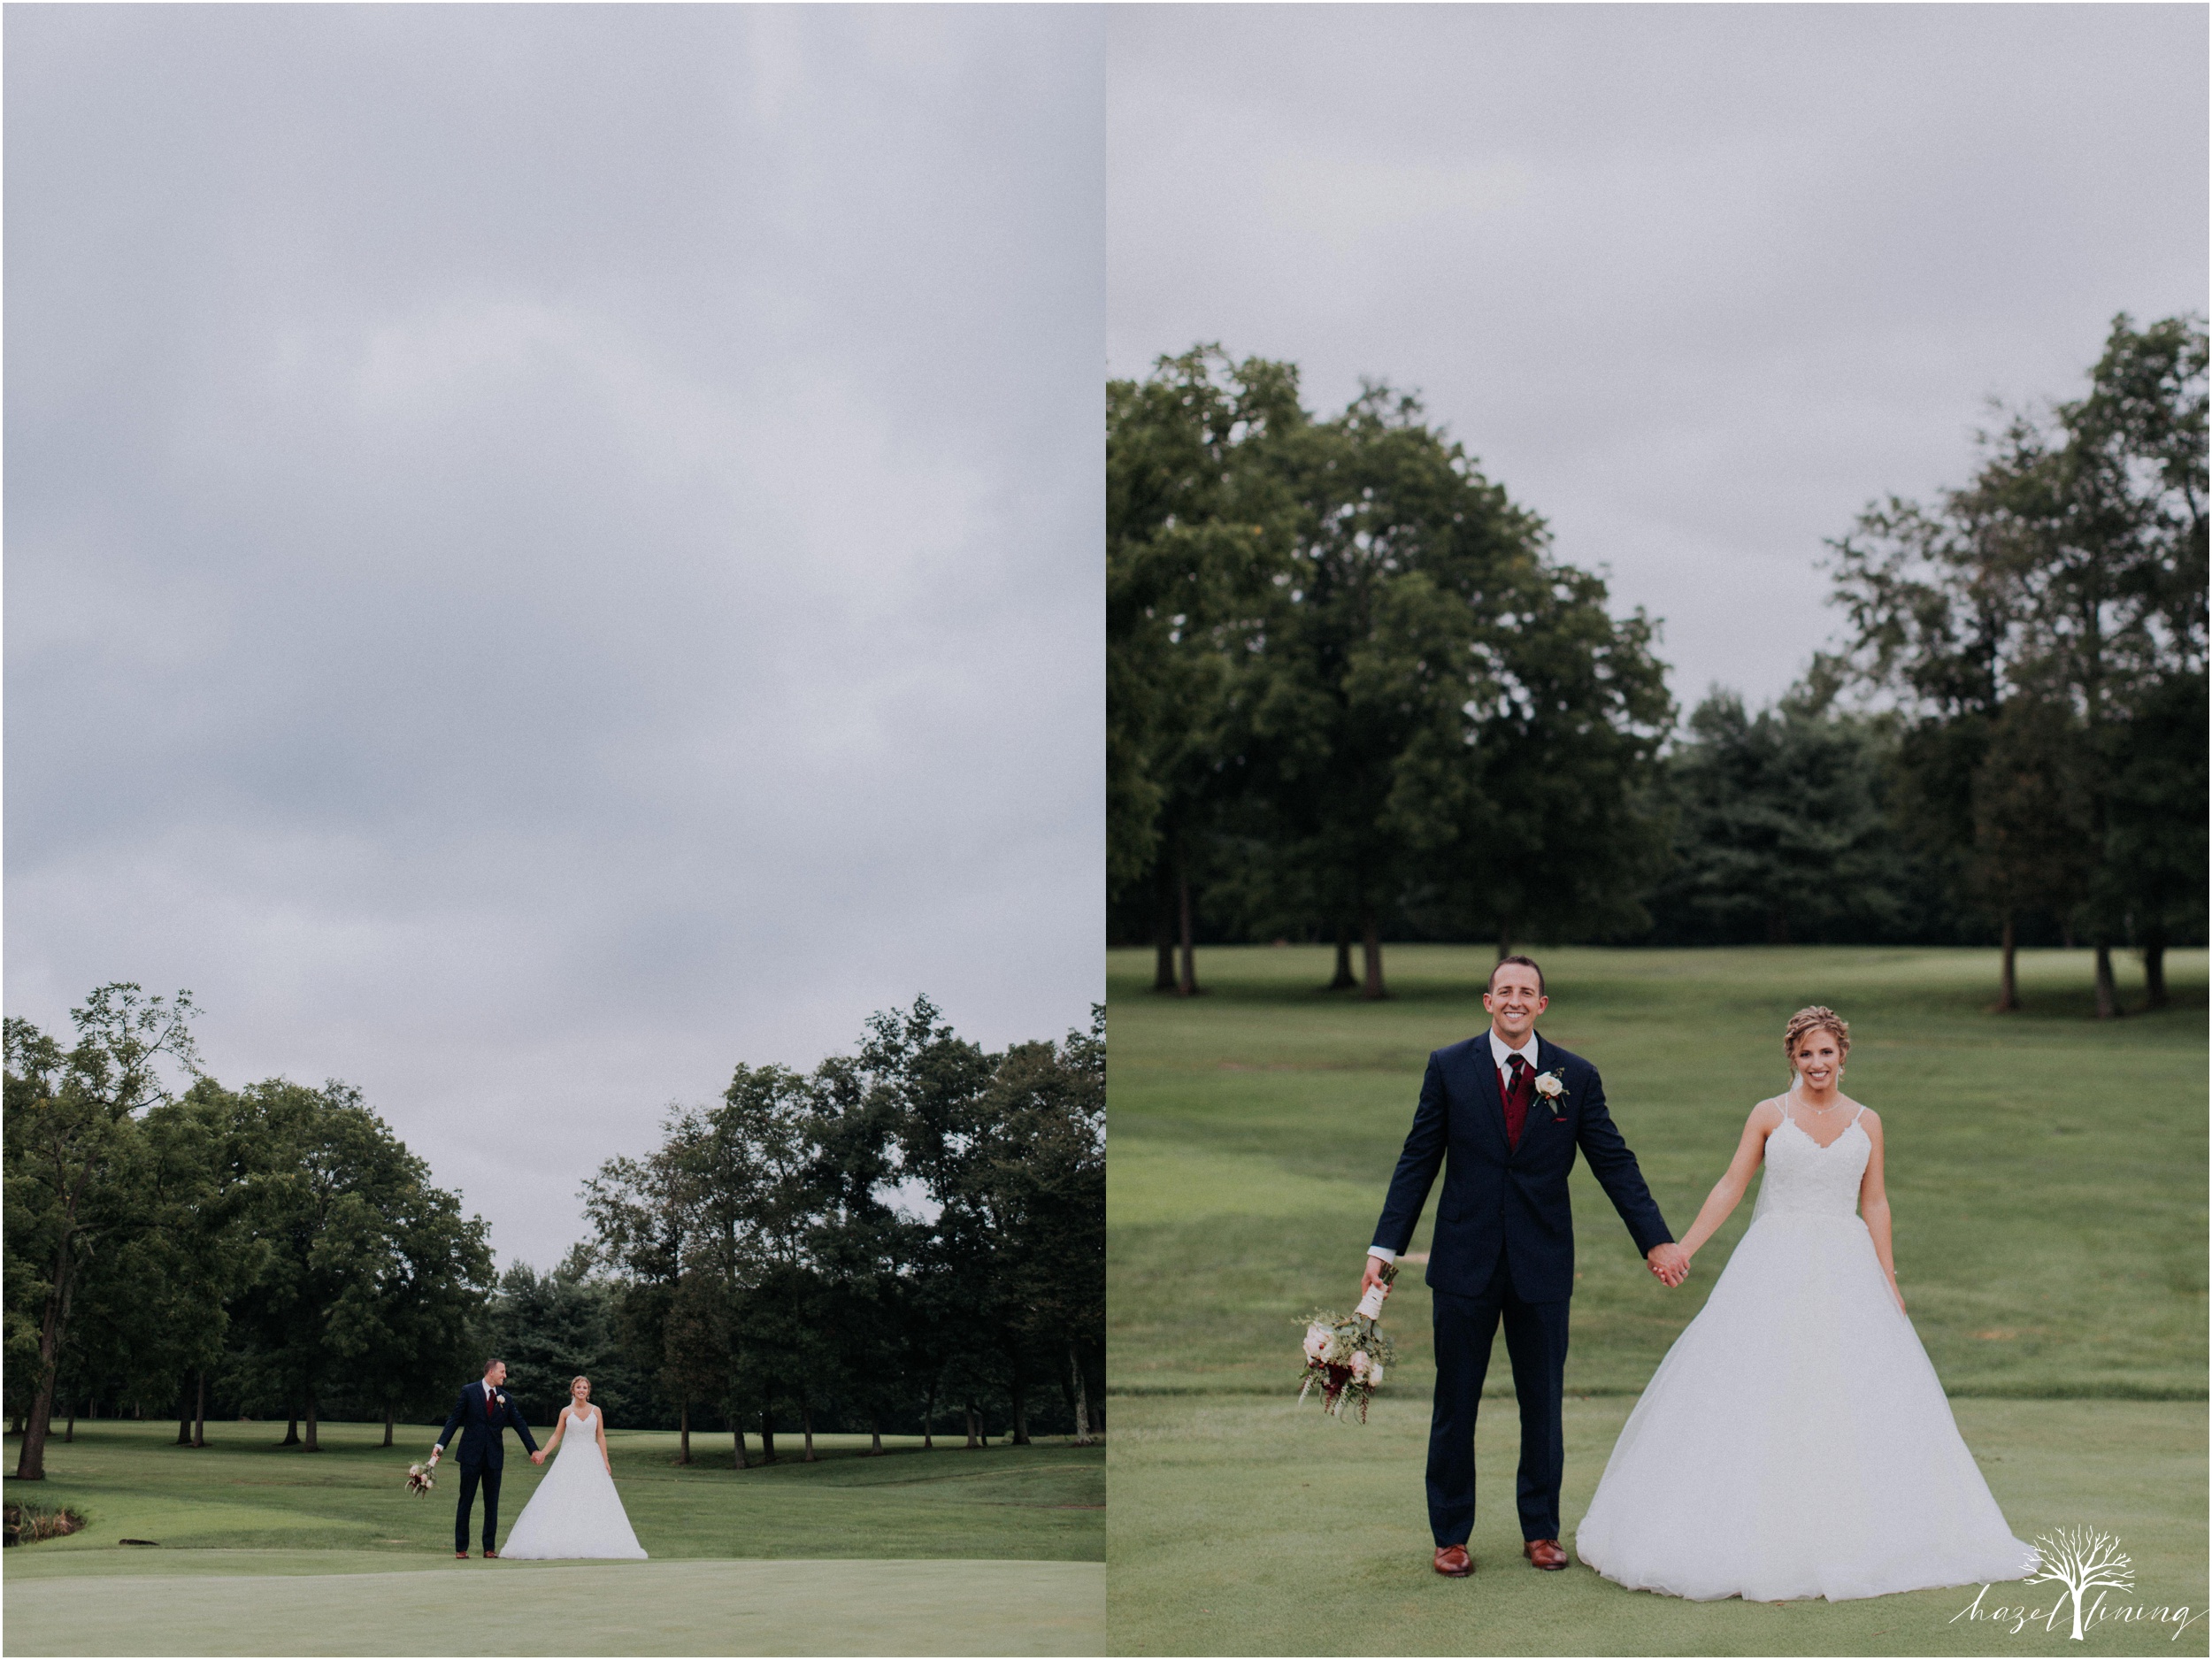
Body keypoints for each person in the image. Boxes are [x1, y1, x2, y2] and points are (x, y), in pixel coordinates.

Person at [1572, 1006, 2039, 1601]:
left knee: (1850, 1389)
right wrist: (1683, 1247)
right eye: (1805, 1054)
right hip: (1773, 1259)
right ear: (1792, 1059)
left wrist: (1888, 1274)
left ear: (1844, 1055)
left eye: (1826, 1052)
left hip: (1847, 1264)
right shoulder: (1769, 1115)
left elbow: (1875, 1202)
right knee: (1759, 1384)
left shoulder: (1868, 1122)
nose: (1817, 1064)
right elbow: (1731, 1186)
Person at [1363, 955, 1686, 1578]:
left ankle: (1540, 1530)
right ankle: (1451, 1535)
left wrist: (1656, 1241)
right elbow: (1417, 1160)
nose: (1515, 1000)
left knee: (1542, 1403)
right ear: (1488, 1001)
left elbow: (1614, 1162)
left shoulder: (1576, 1076)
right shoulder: (1448, 1067)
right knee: (1456, 1402)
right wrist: (1384, 1249)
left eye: (1527, 992)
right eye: (1504, 990)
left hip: (1542, 1265)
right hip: (1463, 1264)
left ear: (1543, 1005)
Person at [497, 1375, 649, 1560]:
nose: (582, 1390)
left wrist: (605, 1460)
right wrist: (543, 1453)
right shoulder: (566, 1412)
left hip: (591, 1459)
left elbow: (600, 1436)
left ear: (588, 1391)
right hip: (569, 1458)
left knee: (593, 1498)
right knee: (566, 1496)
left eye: (585, 1388)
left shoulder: (596, 1411)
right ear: (573, 1390)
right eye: (579, 1387)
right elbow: (556, 1436)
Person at [429, 1357, 541, 1559]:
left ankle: (489, 1548)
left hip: (494, 1458)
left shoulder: (506, 1398)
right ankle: (461, 1548)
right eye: (502, 1372)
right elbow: (454, 1419)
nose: (505, 1376)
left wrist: (533, 1450)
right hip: (470, 1456)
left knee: (492, 1503)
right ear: (491, 1372)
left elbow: (520, 1424)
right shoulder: (469, 1392)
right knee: (466, 1501)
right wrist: (440, 1445)